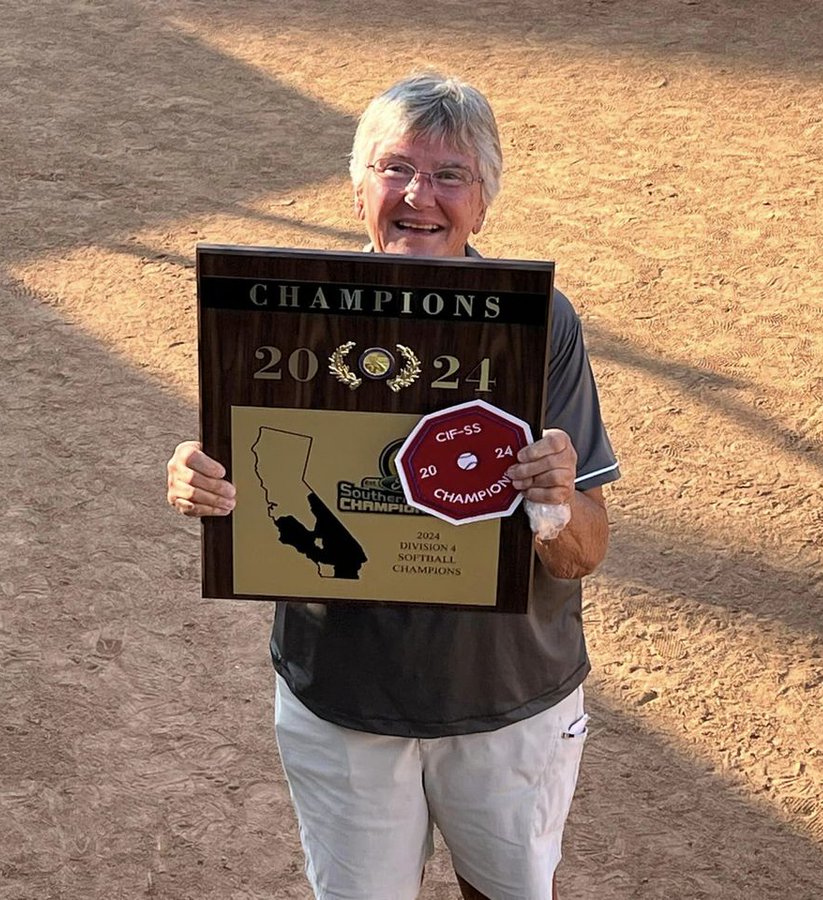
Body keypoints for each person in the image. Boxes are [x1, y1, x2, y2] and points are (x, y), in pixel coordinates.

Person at [166, 72, 620, 900]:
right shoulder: (284, 315)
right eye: (395, 169)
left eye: (451, 176)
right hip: (344, 697)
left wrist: (554, 500)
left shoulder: (540, 322)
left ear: (483, 203)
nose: (420, 196)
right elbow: (251, 478)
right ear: (358, 187)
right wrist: (201, 482)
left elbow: (581, 554)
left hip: (506, 696)